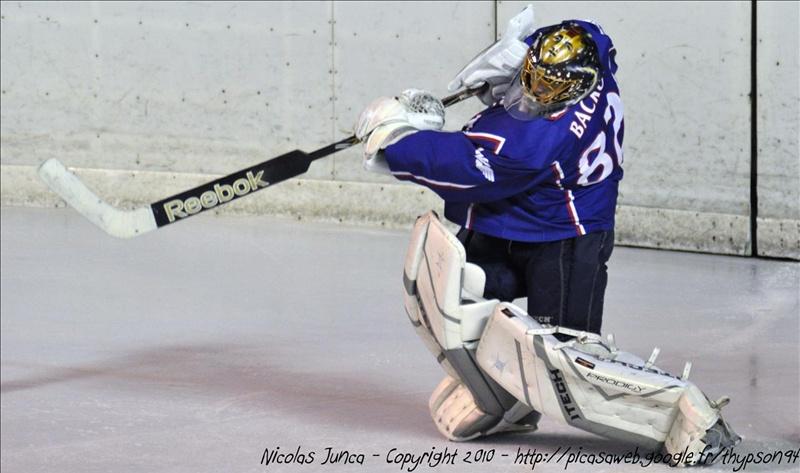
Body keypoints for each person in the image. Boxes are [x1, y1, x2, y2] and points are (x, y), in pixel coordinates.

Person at [355, 15, 623, 337]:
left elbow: (466, 167)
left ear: (572, 91)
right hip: (518, 209)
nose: (535, 90)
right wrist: (515, 52)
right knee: (455, 296)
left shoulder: (542, 142)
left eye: (548, 87)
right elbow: (584, 32)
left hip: (567, 234)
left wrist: (400, 141)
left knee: (561, 345)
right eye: (532, 75)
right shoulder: (591, 51)